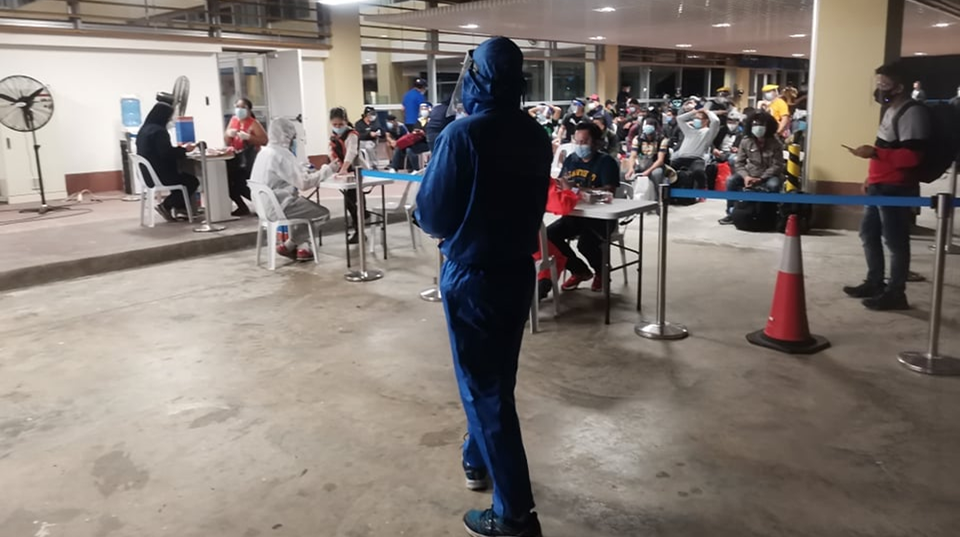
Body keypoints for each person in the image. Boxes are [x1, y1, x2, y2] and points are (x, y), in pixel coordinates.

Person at [415, 36, 551, 537]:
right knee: (497, 380)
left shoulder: (462, 135)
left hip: (472, 274)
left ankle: (515, 514)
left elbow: (432, 214)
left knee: (482, 388)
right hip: (517, 272)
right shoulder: (535, 134)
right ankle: (477, 459)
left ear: (476, 78)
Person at [843, 60, 930, 311]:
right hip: (879, 185)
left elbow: (912, 157)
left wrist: (874, 153)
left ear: (899, 87)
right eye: (878, 82)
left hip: (896, 188)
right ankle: (875, 282)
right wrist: (871, 177)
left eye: (885, 83)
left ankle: (896, 293)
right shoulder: (892, 109)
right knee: (869, 234)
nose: (879, 88)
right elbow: (886, 147)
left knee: (895, 241)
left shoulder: (912, 113)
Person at [547, 122, 620, 293]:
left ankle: (601, 272)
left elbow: (609, 191)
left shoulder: (606, 162)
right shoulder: (571, 160)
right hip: (575, 214)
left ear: (596, 143)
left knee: (585, 244)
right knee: (549, 236)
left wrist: (577, 190)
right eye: (577, 141)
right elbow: (562, 183)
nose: (580, 146)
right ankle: (579, 270)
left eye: (584, 142)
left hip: (600, 218)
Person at [248, 117, 331, 261]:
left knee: (300, 205)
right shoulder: (281, 154)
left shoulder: (264, 153)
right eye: (293, 138)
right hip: (279, 207)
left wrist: (301, 170)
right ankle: (290, 244)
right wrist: (327, 170)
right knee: (322, 213)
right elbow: (303, 184)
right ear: (286, 137)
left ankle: (298, 247)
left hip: (262, 208)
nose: (294, 141)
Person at [718, 112, 784, 225]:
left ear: (768, 126)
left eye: (761, 124)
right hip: (750, 174)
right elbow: (739, 163)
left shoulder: (775, 143)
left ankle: (772, 215)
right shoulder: (746, 141)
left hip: (769, 176)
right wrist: (746, 177)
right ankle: (731, 213)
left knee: (774, 185)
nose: (758, 127)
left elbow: (777, 165)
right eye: (755, 124)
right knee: (731, 181)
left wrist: (762, 178)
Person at [136, 101, 198, 222]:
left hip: (146, 175)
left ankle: (181, 208)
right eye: (169, 117)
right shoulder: (159, 132)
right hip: (160, 175)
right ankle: (166, 205)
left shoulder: (144, 130)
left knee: (181, 178)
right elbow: (166, 153)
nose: (170, 120)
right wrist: (184, 150)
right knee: (191, 181)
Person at [328, 106, 369, 244]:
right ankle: (358, 227)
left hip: (356, 170)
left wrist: (344, 168)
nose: (337, 127)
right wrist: (334, 168)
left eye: (340, 124)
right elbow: (332, 153)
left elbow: (351, 152)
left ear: (346, 121)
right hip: (344, 172)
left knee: (354, 202)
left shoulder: (352, 134)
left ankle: (360, 230)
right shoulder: (334, 136)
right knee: (349, 202)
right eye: (335, 124)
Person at [223, 98, 267, 216]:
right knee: (227, 183)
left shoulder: (253, 123)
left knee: (242, 184)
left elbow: (264, 140)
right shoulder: (233, 120)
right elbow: (226, 140)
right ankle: (241, 206)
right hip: (235, 157)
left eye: (243, 107)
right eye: (237, 107)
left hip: (248, 159)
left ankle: (262, 205)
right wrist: (228, 134)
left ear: (249, 109)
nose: (239, 110)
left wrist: (249, 137)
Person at [671, 107, 720, 190]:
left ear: (706, 121)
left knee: (698, 172)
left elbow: (716, 121)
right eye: (695, 118)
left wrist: (707, 111)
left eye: (699, 118)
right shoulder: (688, 130)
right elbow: (679, 119)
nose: (695, 120)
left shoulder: (708, 132)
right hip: (682, 158)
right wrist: (694, 112)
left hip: (697, 159)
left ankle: (703, 190)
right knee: (669, 170)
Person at [626, 117, 669, 201]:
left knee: (657, 174)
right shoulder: (637, 139)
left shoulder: (662, 140)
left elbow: (660, 160)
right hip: (641, 163)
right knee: (626, 173)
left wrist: (648, 171)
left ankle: (658, 198)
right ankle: (629, 197)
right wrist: (631, 168)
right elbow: (633, 156)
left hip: (655, 165)